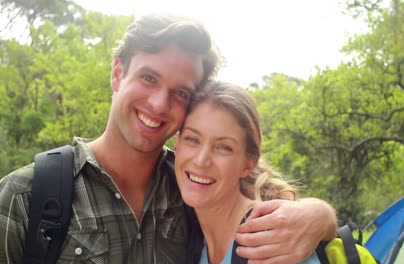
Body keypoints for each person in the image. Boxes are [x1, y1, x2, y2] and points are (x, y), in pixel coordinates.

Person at [0, 14, 336, 263]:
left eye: (179, 92)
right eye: (148, 77)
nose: (159, 104)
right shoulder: (28, 196)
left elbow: (262, 203)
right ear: (118, 73)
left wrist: (321, 218)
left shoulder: (193, 188)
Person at [174, 81, 330, 263]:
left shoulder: (274, 243)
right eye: (192, 139)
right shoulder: (195, 242)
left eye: (223, 147)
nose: (201, 161)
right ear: (176, 144)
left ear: (248, 164)